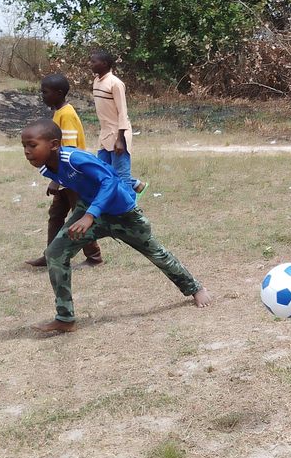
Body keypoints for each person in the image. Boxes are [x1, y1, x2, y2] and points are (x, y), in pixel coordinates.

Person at [20, 118, 209, 334]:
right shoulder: (46, 168)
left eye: (32, 145)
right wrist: (61, 186)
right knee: (55, 253)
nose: (27, 151)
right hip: (91, 210)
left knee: (157, 253)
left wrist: (89, 215)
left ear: (54, 144)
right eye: (24, 146)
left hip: (122, 214)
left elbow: (109, 180)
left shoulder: (74, 158)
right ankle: (65, 318)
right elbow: (77, 181)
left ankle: (195, 288)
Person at [25, 73, 104, 268]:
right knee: (56, 216)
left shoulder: (66, 114)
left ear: (59, 93)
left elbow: (68, 149)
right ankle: (51, 255)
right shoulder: (59, 112)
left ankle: (94, 257)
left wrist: (56, 180)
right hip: (65, 177)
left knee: (79, 216)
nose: (42, 96)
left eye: (45, 92)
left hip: (74, 177)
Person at [89, 50, 145, 194]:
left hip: (118, 134)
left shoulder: (115, 83)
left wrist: (120, 139)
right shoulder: (96, 81)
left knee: (122, 176)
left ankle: (130, 206)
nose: (91, 64)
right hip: (105, 134)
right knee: (103, 172)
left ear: (104, 64)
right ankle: (136, 184)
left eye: (94, 62)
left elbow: (122, 112)